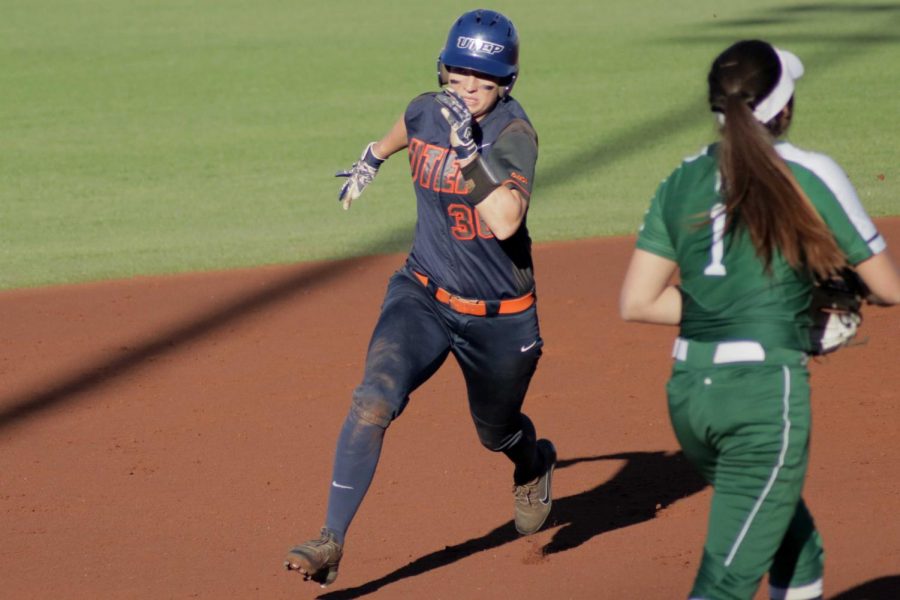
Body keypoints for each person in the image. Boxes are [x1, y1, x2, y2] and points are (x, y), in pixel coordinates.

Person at [284, 9, 556, 587]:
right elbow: (410, 124)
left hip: (499, 320)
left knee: (496, 432)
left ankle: (531, 461)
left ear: (505, 83)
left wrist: (466, 154)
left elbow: (507, 220)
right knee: (373, 398)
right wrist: (373, 157)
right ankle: (330, 540)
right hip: (423, 293)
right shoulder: (430, 108)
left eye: (481, 84)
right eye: (456, 80)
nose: (465, 95)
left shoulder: (512, 134)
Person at [619, 39, 900, 600]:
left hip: (691, 397)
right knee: (722, 584)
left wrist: (743, 311)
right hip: (762, 402)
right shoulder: (808, 171)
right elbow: (886, 289)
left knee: (796, 549)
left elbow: (639, 302)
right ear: (785, 109)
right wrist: (789, 313)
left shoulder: (681, 178)